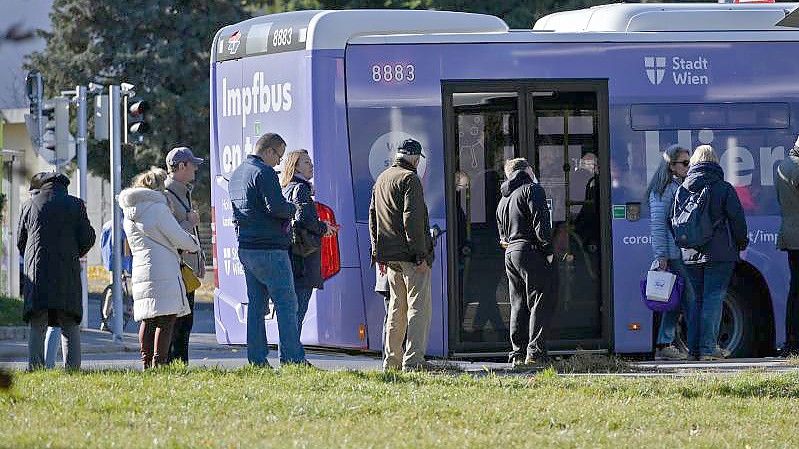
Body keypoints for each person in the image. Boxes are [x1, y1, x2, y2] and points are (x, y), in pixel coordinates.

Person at [228, 133, 306, 367]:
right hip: (270, 249)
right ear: (269, 151)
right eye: (279, 156)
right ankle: (292, 359)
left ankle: (257, 359)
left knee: (256, 306)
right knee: (286, 304)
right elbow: (277, 207)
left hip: (247, 247)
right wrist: (294, 208)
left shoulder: (238, 174)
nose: (280, 162)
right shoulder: (265, 172)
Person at [119, 168, 200, 369]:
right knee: (166, 319)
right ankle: (160, 363)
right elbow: (176, 235)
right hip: (163, 269)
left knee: (147, 318)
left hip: (141, 268)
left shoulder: (129, 212)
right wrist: (193, 244)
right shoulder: (157, 208)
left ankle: (146, 363)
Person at [677, 145, 748, 361]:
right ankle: (708, 350)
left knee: (696, 300)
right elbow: (737, 221)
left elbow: (674, 221)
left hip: (690, 252)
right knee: (713, 298)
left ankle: (694, 350)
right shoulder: (724, 188)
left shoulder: (683, 188)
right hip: (720, 253)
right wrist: (741, 243)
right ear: (716, 162)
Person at [369, 138, 435, 372]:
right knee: (418, 308)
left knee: (396, 308)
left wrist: (378, 254)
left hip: (390, 257)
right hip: (410, 256)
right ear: (415, 159)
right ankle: (414, 360)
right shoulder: (410, 179)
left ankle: (392, 361)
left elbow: (373, 218)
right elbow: (413, 220)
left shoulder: (382, 178)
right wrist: (421, 255)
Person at [19, 172, 95, 370]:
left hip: (37, 271)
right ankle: (72, 369)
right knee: (69, 322)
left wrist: (32, 257)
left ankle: (35, 368)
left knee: (38, 322)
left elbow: (21, 240)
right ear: (64, 186)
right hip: (66, 272)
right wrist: (75, 253)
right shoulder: (76, 205)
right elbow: (88, 238)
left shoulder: (29, 204)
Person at [495, 158, 555, 368]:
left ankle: (517, 353)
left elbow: (502, 237)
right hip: (530, 250)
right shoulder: (533, 190)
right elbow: (541, 225)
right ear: (527, 170)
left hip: (510, 253)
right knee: (539, 300)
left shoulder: (504, 199)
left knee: (518, 304)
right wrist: (548, 251)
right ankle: (535, 353)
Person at [280, 149, 339, 334]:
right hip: (303, 257)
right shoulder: (301, 188)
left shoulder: (286, 188)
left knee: (292, 309)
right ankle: (293, 355)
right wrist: (324, 228)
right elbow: (305, 218)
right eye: (306, 162)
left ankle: (291, 354)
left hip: (291, 254)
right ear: (294, 166)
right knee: (299, 308)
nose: (311, 165)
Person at [645, 144, 695, 361]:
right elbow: (657, 225)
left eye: (689, 162)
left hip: (678, 253)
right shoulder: (664, 190)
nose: (688, 166)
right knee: (688, 299)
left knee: (675, 299)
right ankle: (671, 344)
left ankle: (667, 343)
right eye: (684, 163)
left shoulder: (675, 186)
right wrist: (661, 256)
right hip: (673, 255)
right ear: (671, 166)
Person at [163, 146, 206, 364]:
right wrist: (189, 223)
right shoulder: (167, 196)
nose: (195, 170)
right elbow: (168, 233)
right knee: (179, 323)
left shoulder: (182, 192)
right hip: (176, 268)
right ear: (181, 166)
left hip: (186, 268)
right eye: (193, 166)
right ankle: (175, 364)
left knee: (186, 322)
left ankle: (180, 365)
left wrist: (200, 260)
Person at [776, 136, 799, 356]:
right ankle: (794, 342)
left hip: (790, 235)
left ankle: (792, 341)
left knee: (795, 291)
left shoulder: (783, 165)